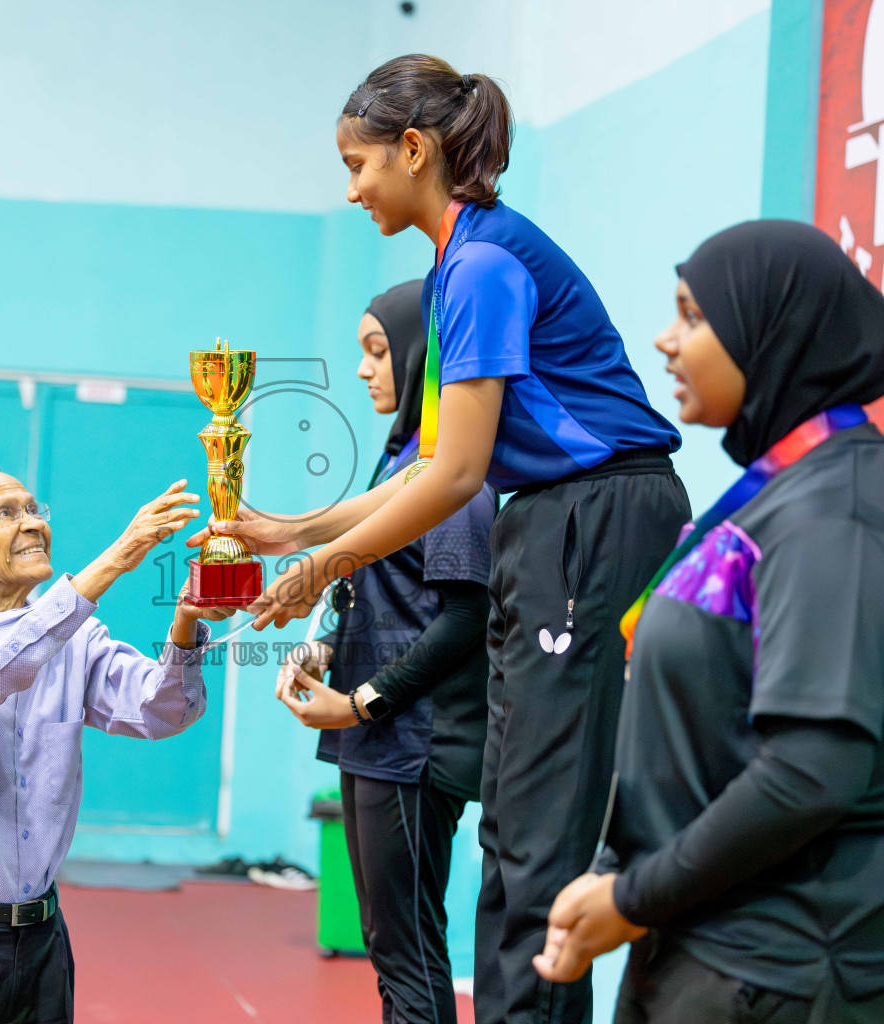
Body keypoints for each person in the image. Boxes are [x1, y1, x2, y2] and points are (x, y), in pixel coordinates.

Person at [191, 55, 691, 1024]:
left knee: (538, 832)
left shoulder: (484, 264)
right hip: (550, 513)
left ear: (412, 149)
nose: (350, 188)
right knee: (514, 826)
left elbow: (459, 478)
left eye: (358, 162)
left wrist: (317, 570)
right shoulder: (456, 264)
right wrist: (292, 532)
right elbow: (421, 468)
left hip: (595, 506)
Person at [532, 220, 884, 1024]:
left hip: (796, 956)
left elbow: (807, 773)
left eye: (691, 315)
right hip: (714, 923)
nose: (664, 339)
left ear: (770, 331)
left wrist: (630, 896)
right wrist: (623, 876)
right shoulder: (780, 491)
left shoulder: (838, 522)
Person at [0, 467, 234, 1024]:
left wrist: (185, 620)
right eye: (7, 512)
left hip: (39, 943)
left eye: (35, 509)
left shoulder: (75, 636)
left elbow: (161, 710)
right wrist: (119, 556)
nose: (34, 523)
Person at [276, 280, 495, 1024]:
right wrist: (324, 651)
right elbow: (382, 594)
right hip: (371, 736)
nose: (365, 370)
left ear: (420, 357)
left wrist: (365, 699)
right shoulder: (397, 460)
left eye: (377, 352)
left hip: (412, 742)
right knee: (386, 942)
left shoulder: (456, 475)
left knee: (407, 949)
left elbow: (467, 614)